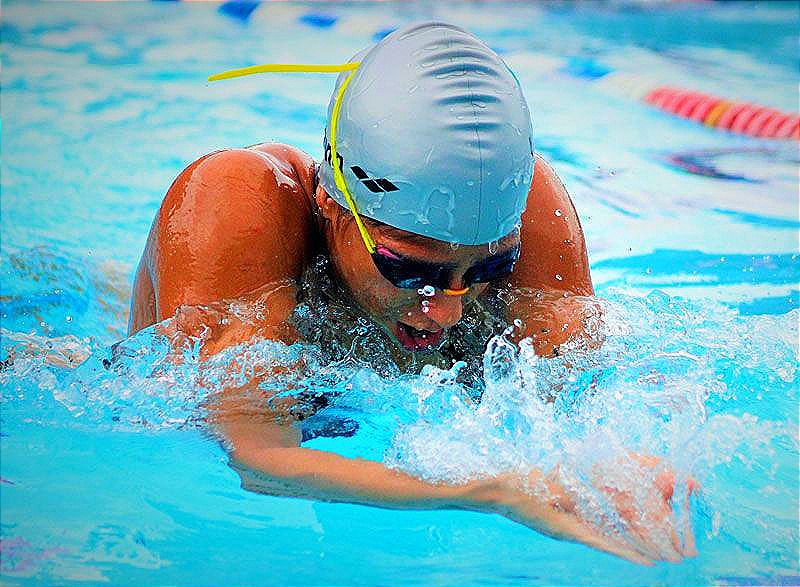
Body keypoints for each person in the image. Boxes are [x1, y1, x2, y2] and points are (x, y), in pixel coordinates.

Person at [128, 22, 694, 564]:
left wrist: (612, 462)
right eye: (409, 269)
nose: (447, 310)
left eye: (488, 268)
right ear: (332, 203)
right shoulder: (238, 204)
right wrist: (487, 490)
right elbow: (257, 454)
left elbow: (573, 390)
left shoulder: (529, 207)